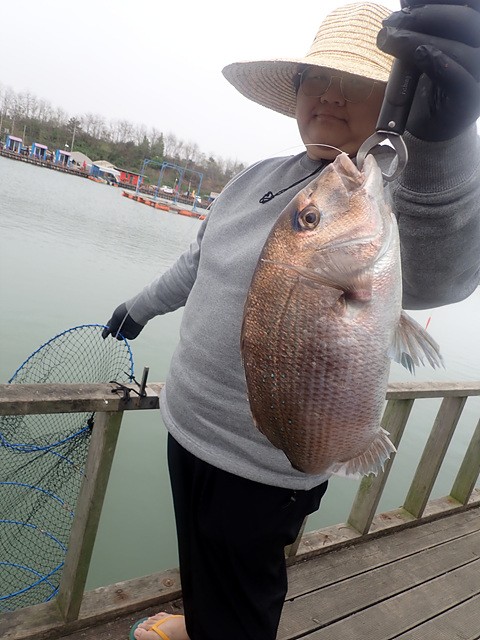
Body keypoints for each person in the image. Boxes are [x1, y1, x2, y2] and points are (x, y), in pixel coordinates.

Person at [103, 3, 480, 639]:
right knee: (199, 561)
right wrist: (139, 308)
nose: (328, 94)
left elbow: (444, 273)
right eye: (314, 78)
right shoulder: (255, 177)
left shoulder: (386, 196)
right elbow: (196, 263)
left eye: (354, 80)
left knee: (243, 597)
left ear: (399, 97)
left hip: (267, 466)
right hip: (186, 423)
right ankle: (200, 623)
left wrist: (441, 143)